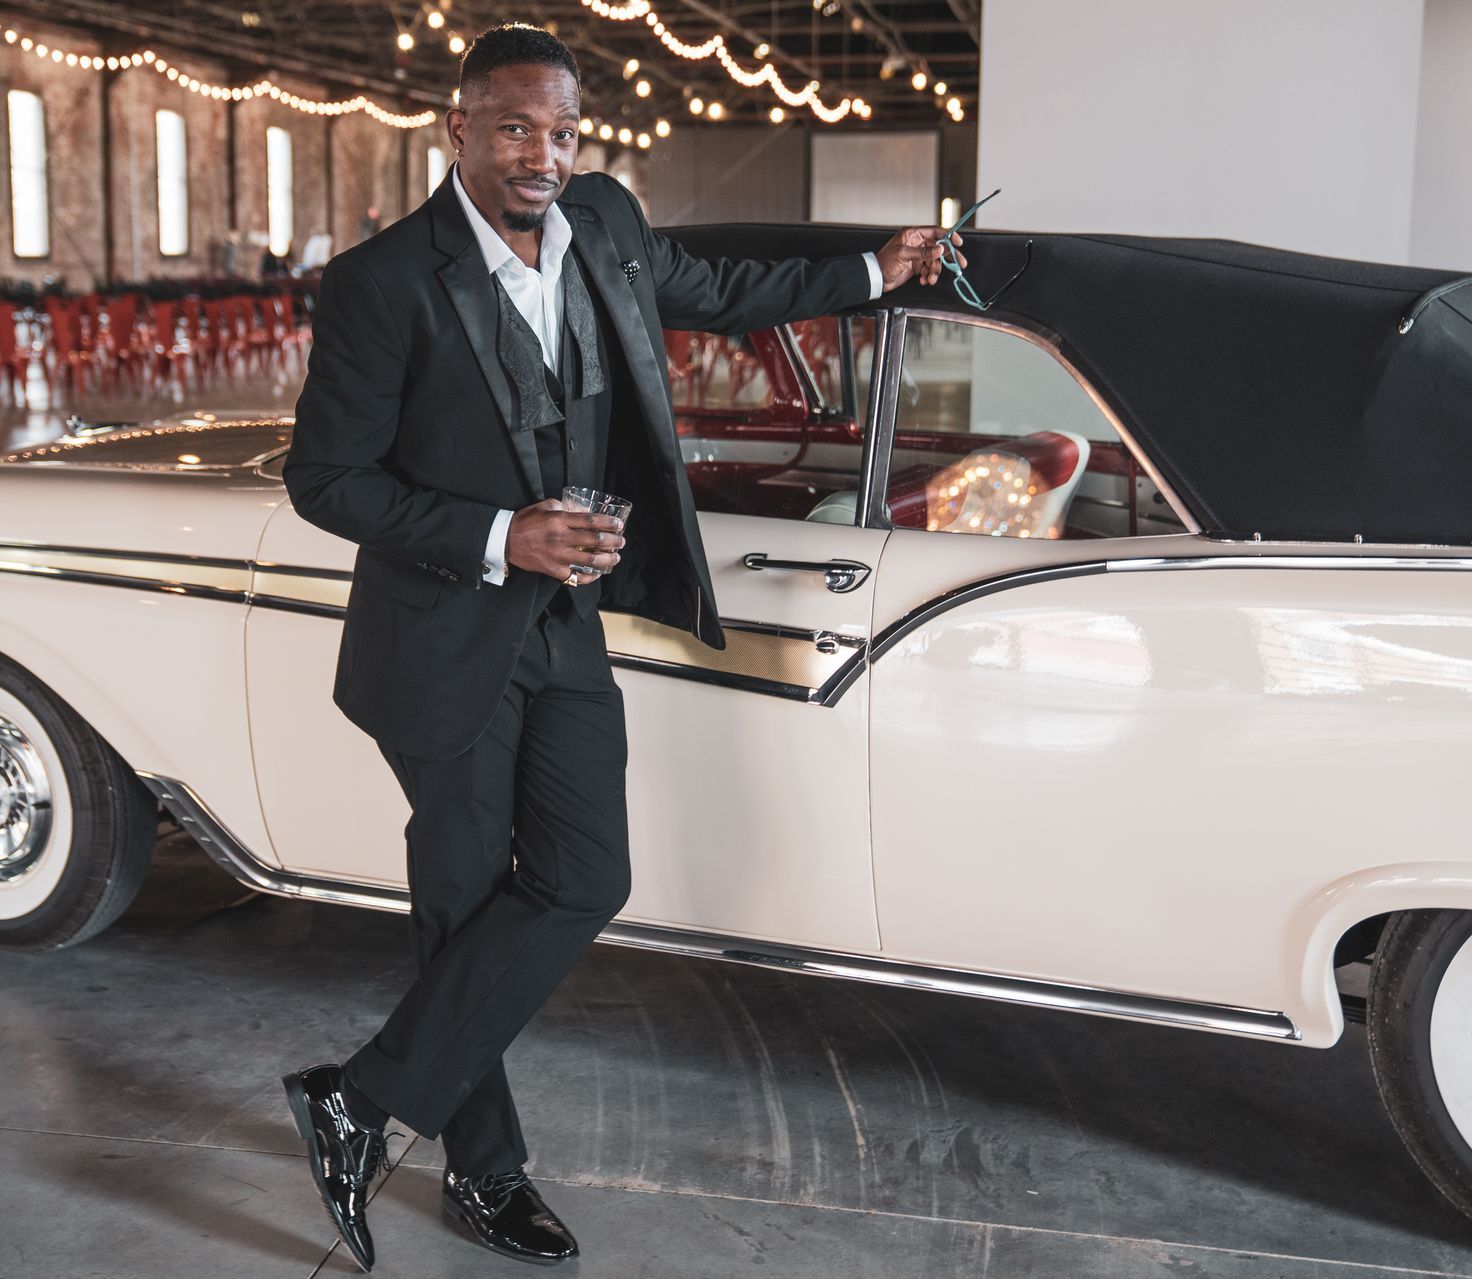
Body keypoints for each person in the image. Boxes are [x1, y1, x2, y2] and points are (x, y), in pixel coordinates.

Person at [278, 22, 961, 1272]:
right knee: (466, 907)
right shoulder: (382, 281)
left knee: (586, 876)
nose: (545, 155)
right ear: (460, 129)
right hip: (442, 639)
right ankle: (486, 1176)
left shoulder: (601, 222)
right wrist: (498, 535)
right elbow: (323, 481)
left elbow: (718, 287)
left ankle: (359, 1100)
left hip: (566, 629)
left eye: (564, 132)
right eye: (517, 129)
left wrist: (877, 266)